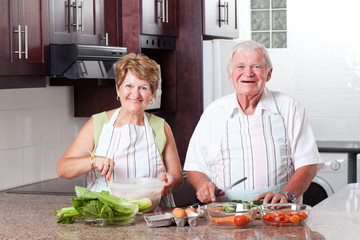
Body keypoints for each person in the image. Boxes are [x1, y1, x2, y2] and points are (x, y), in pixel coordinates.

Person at [184, 40, 324, 204]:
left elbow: (308, 164)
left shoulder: (289, 107)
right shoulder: (213, 112)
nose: (248, 73)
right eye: (240, 66)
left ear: (269, 74)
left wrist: (287, 194)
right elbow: (196, 165)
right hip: (226, 216)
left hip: (278, 214)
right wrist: (202, 185)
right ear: (230, 75)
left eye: (256, 66)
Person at [57, 53, 183, 206]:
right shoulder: (98, 123)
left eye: (143, 87)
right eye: (128, 86)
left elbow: (177, 177)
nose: (135, 94)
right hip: (106, 215)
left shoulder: (161, 127)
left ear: (152, 93)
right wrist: (93, 162)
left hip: (152, 217)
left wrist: (171, 180)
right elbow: (63, 168)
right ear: (118, 89)